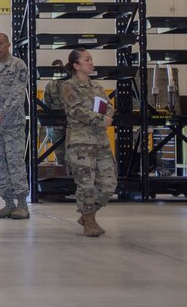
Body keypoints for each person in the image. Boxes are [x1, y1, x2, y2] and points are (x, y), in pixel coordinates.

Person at [60, 48, 117, 237]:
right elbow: (76, 111)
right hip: (80, 143)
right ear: (76, 65)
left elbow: (108, 107)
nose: (91, 62)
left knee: (109, 184)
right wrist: (102, 120)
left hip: (100, 142)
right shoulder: (69, 86)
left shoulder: (97, 87)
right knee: (86, 185)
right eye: (87, 60)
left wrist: (108, 116)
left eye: (91, 59)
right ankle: (89, 221)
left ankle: (88, 214)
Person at [0, 33, 31, 220]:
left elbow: (17, 96)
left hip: (12, 126)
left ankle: (22, 204)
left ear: (8, 44)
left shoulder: (18, 66)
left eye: (0, 44)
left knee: (15, 162)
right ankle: (8, 203)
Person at [42, 59, 68, 168]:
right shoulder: (49, 85)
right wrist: (49, 125)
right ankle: (62, 171)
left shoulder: (69, 83)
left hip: (69, 121)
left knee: (72, 151)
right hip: (56, 124)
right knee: (59, 152)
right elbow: (46, 105)